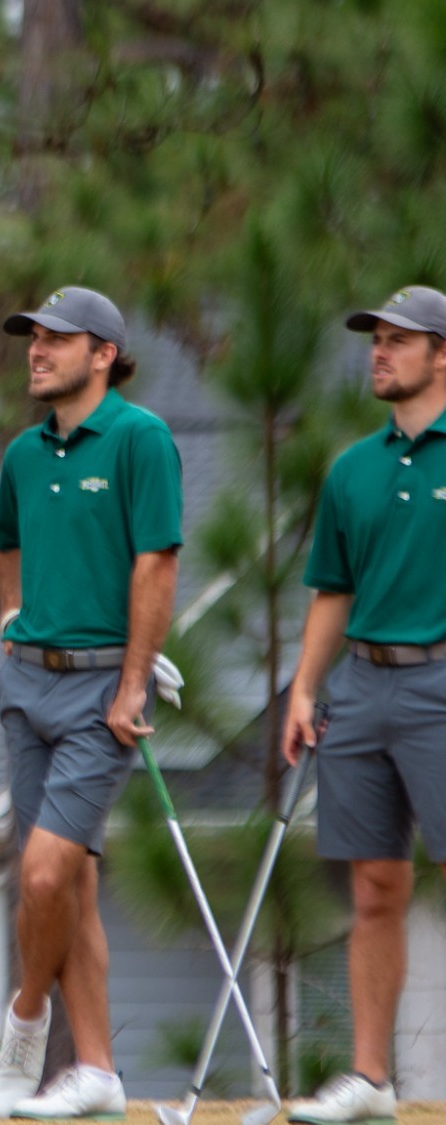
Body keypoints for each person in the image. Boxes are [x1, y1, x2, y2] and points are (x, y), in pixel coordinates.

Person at [0, 287, 182, 1121]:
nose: (37, 349)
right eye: (32, 337)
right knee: (71, 886)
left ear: (103, 354)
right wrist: (10, 617)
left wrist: (133, 682)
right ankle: (97, 1070)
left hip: (103, 691)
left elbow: (156, 563)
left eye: (57, 339)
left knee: (43, 871)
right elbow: (6, 543)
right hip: (28, 683)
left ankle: (25, 1019)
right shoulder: (24, 454)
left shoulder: (141, 438)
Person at [280, 285, 446, 1125]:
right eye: (375, 339)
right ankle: (372, 1078)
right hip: (362, 685)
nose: (379, 352)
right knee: (375, 886)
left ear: (442, 354)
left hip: (441, 685)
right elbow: (333, 591)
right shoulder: (352, 468)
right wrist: (305, 688)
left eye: (398, 340)